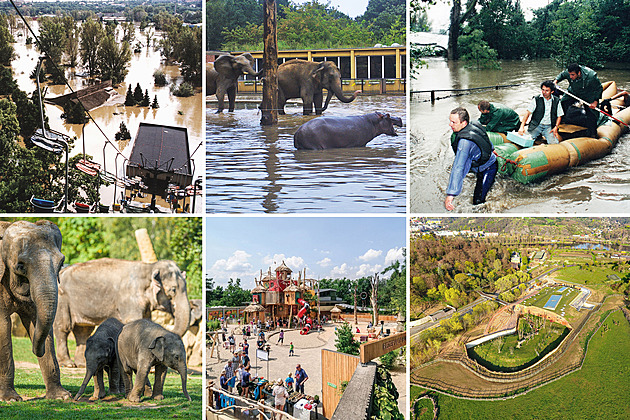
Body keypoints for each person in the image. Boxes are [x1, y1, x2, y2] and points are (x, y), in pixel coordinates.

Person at [445, 107, 498, 211]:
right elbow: (485, 137)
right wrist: (492, 149)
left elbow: (459, 166)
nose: (450, 124)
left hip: (488, 167)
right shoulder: (475, 123)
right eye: (450, 121)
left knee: (478, 202)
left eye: (453, 122)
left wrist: (451, 194)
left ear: (464, 123)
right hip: (484, 162)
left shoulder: (464, 142)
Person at [554, 63, 603, 137]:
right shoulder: (569, 72)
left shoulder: (591, 76)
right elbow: (562, 75)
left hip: (588, 94)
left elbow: (599, 88)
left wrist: (595, 101)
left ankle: (592, 133)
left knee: (591, 113)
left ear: (579, 73)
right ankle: (561, 122)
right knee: (562, 103)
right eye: (570, 74)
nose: (570, 77)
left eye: (573, 75)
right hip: (573, 91)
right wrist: (556, 81)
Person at [518, 80, 564, 144]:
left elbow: (559, 116)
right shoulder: (536, 99)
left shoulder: (556, 101)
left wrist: (556, 127)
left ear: (552, 92)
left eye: (547, 91)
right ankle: (536, 136)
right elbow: (528, 112)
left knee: (554, 144)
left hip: (549, 127)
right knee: (523, 141)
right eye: (543, 90)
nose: (544, 92)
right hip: (536, 125)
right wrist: (522, 126)